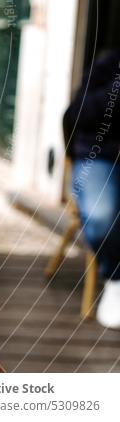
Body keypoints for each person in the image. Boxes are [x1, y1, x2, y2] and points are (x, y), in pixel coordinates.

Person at [64, 48, 120, 328]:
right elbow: (75, 114)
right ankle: (116, 279)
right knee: (100, 216)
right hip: (100, 156)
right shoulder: (110, 64)